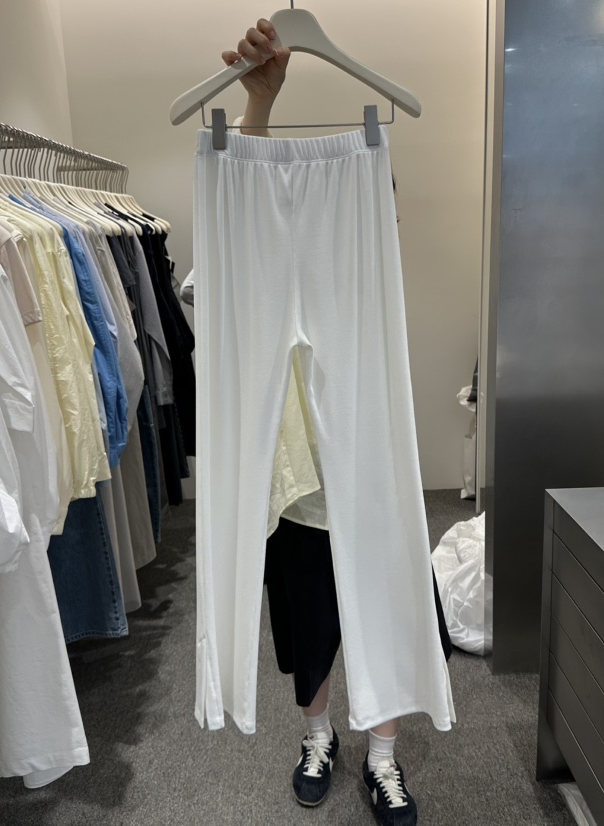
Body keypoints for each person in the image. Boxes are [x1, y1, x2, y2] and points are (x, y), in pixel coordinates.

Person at [202, 19, 454, 826]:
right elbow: (244, 236)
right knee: (306, 625)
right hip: (293, 479)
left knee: (384, 603)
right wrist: (258, 110)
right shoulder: (253, 251)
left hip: (366, 467)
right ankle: (319, 737)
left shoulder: (364, 263)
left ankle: (382, 757)